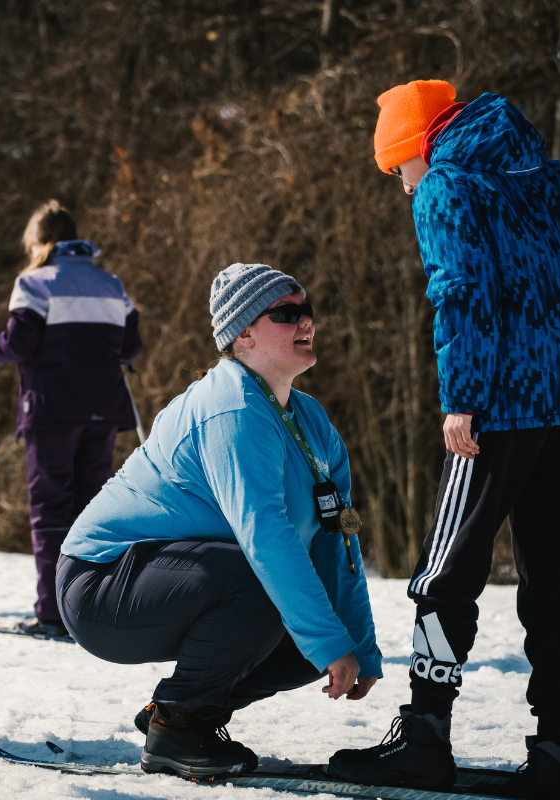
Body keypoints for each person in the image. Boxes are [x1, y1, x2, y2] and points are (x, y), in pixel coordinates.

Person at [327, 81, 560, 800]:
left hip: (499, 408)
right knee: (557, 586)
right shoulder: (544, 175)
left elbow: (462, 291)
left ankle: (425, 739)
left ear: (417, 144)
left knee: (446, 574)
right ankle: (556, 754)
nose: (401, 186)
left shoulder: (448, 186)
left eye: (395, 168)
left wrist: (462, 400)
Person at [56, 262, 383, 778]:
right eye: (287, 313)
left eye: (308, 311)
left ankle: (183, 715)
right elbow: (266, 538)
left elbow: (337, 540)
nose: (307, 323)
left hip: (189, 576)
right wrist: (332, 641)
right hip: (102, 582)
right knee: (268, 583)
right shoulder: (231, 409)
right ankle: (178, 723)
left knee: (315, 637)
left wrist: (356, 644)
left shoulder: (312, 421)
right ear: (244, 333)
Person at [0, 200, 142, 638]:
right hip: (103, 411)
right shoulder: (112, 284)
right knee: (91, 511)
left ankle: (51, 613)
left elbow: (17, 344)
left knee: (50, 511)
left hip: (51, 412)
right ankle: (86, 611)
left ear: (40, 241)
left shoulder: (34, 282)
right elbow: (129, 348)